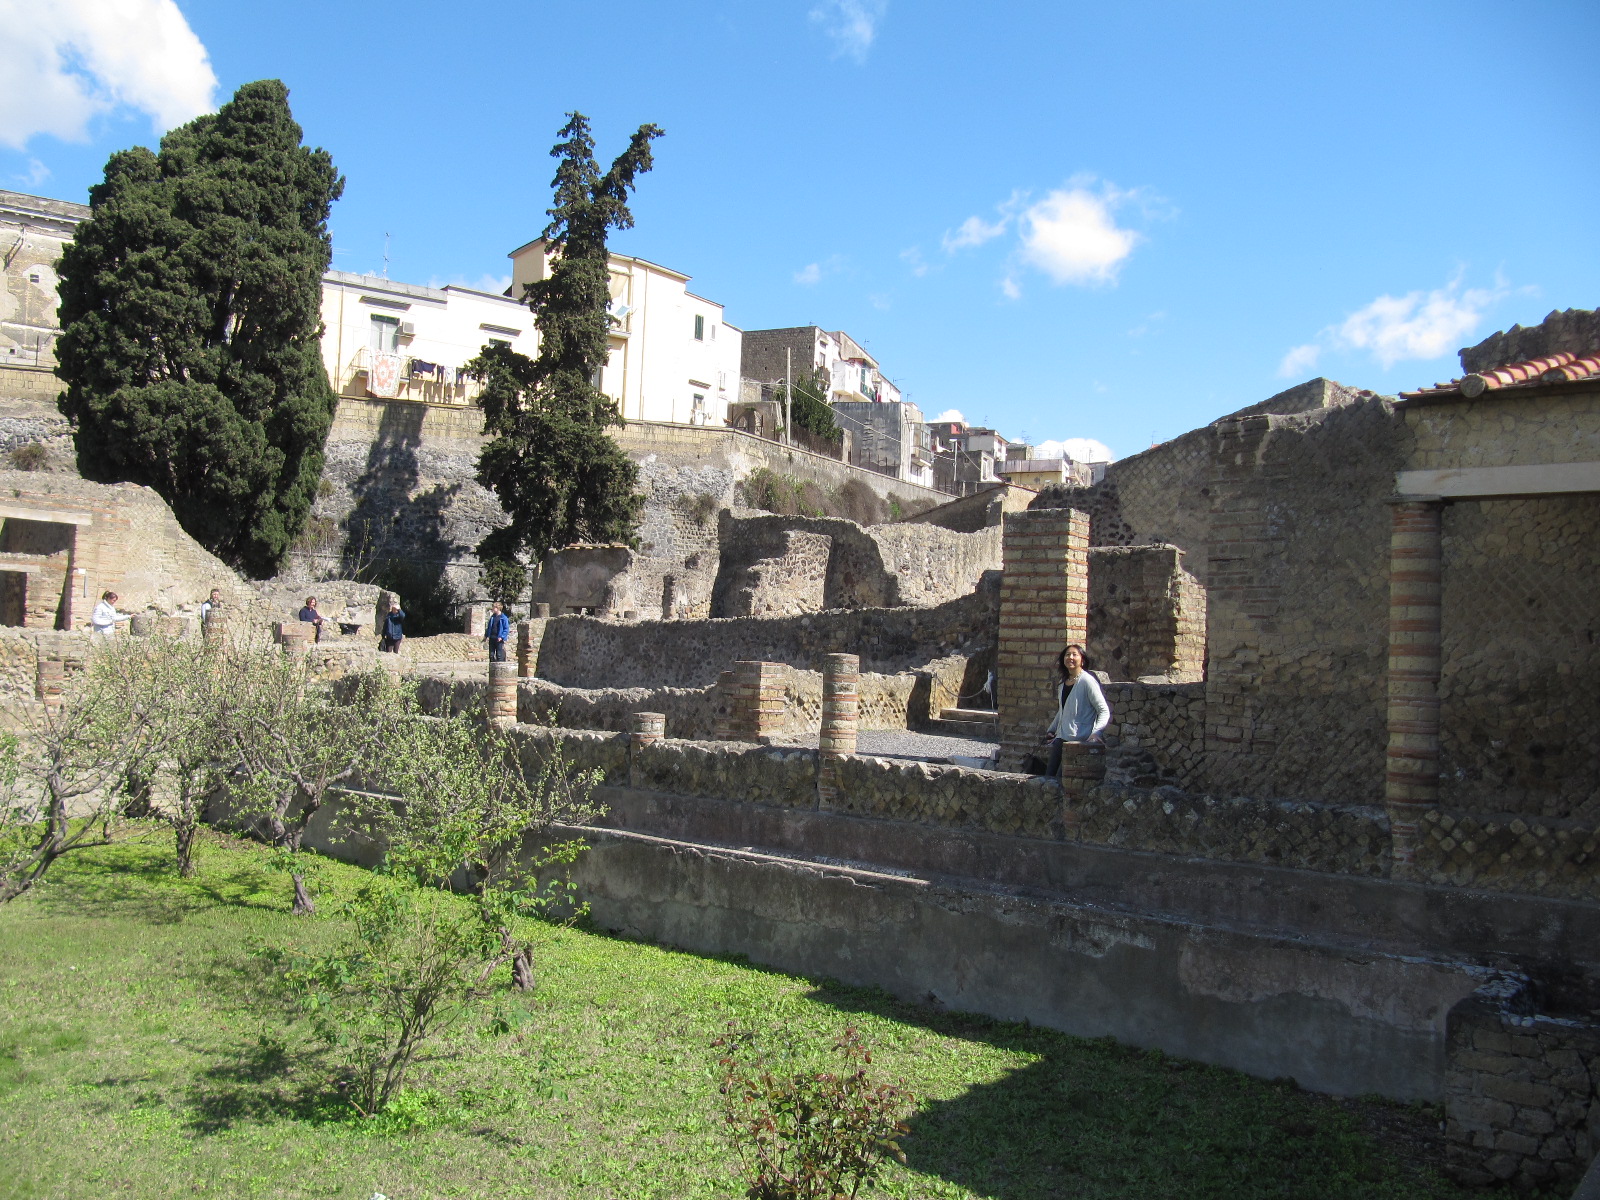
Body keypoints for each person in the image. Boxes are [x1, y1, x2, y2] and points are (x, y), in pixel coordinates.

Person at [1041, 643, 1110, 777]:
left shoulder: (1087, 681)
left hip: (1078, 742)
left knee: (1063, 780)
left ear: (1082, 660)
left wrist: (1096, 732)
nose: (1070, 657)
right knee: (1049, 778)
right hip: (1060, 739)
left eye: (1074, 654)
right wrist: (1051, 730)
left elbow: (1103, 710)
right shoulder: (1063, 683)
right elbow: (1063, 711)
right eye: (1067, 655)